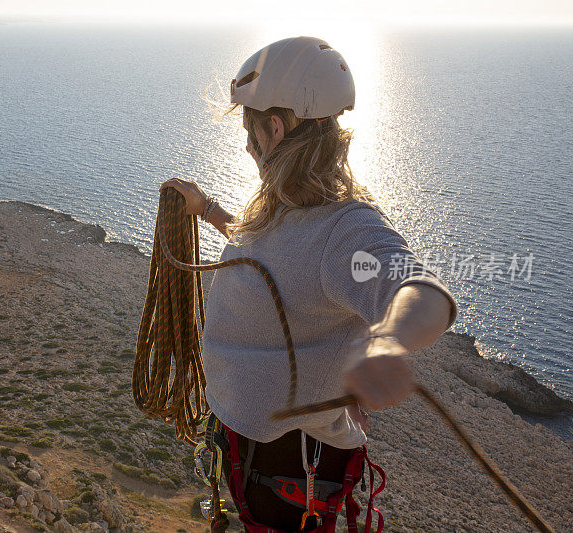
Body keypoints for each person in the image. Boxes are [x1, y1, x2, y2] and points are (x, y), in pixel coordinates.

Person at [160, 36, 458, 532]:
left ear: (273, 129)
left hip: (289, 467)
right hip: (258, 451)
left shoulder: (347, 229)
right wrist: (208, 209)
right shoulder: (289, 207)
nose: (247, 143)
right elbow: (275, 254)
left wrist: (389, 339)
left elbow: (421, 289)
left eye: (250, 130)